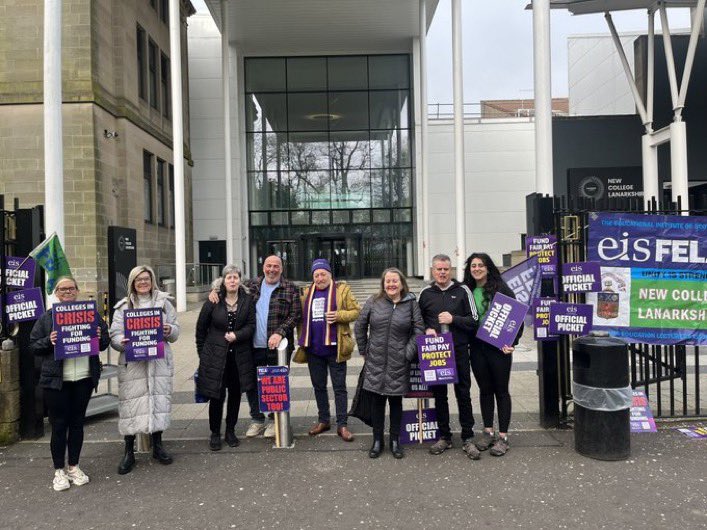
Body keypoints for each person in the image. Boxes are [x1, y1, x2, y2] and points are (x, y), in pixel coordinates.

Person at [29, 276, 110, 491]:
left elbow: (104, 343)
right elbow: (33, 345)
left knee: (77, 424)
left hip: (83, 378)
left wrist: (100, 336)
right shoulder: (47, 319)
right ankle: (59, 471)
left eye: (71, 288)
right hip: (57, 381)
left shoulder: (91, 315)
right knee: (58, 425)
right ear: (56, 293)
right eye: (62, 289)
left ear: (77, 291)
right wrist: (50, 340)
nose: (67, 292)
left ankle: (74, 466)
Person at [209, 255, 301, 438]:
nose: (272, 270)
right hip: (251, 345)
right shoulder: (252, 285)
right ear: (263, 267)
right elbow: (230, 286)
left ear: (281, 269)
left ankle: (274, 421)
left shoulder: (290, 288)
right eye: (269, 266)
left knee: (274, 384)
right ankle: (257, 419)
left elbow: (296, 314)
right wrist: (214, 291)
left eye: (276, 266)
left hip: (278, 347)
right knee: (251, 383)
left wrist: (280, 332)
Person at [110, 265, 180, 474]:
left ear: (152, 281)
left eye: (146, 279)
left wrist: (169, 330)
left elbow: (176, 331)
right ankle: (128, 451)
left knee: (157, 401)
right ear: (132, 282)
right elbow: (114, 335)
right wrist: (120, 341)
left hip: (158, 362)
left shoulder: (164, 304)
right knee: (131, 405)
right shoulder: (123, 307)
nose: (143, 283)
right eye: (139, 279)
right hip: (134, 364)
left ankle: (158, 446)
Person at [354, 268, 424, 459]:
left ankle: (395, 440)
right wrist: (363, 349)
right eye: (388, 281)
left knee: (395, 402)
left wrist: (406, 354)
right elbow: (360, 325)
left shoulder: (411, 304)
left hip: (399, 362)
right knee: (377, 402)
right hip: (375, 360)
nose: (391, 284)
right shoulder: (373, 301)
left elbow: (419, 331)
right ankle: (377, 440)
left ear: (402, 283)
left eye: (395, 281)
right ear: (383, 284)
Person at [418, 254, 480, 459]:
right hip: (435, 352)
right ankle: (444, 435)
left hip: (459, 349)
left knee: (463, 393)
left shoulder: (463, 291)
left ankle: (468, 437)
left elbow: (474, 320)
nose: (442, 272)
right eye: (438, 269)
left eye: (446, 269)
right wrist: (427, 330)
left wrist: (454, 319)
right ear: (432, 271)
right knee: (440, 396)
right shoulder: (425, 293)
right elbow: (416, 321)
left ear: (451, 270)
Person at [294, 258, 360, 442]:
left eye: (323, 274)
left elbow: (356, 311)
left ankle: (342, 424)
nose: (320, 278)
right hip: (314, 349)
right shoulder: (306, 292)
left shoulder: (342, 290)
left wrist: (339, 315)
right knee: (318, 387)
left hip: (336, 348)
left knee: (339, 388)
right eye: (317, 275)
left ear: (330, 275)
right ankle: (324, 420)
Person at [464, 252, 522, 457]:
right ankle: (488, 431)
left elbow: (517, 318)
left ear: (488, 268)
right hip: (477, 347)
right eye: (473, 265)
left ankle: (503, 437)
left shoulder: (501, 289)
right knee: (485, 390)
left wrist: (512, 342)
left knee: (501, 390)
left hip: (498, 348)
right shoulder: (467, 290)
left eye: (480, 265)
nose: (477, 268)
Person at [196, 265, 256, 451]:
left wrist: (237, 335)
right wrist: (204, 355)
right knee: (216, 396)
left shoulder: (247, 301)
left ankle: (230, 430)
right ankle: (215, 433)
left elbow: (251, 326)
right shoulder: (213, 301)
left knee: (235, 395)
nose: (232, 280)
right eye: (229, 277)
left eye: (235, 277)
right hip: (215, 357)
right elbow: (200, 330)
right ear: (223, 280)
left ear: (240, 280)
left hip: (238, 358)